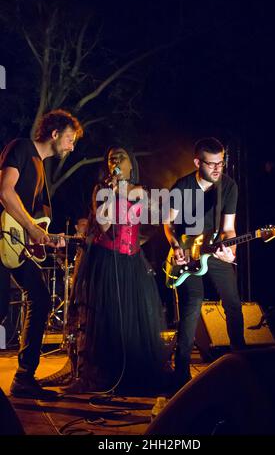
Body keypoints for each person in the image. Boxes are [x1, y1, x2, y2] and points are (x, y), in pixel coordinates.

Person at [65, 145, 167, 393]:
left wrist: (122, 192)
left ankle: (133, 374)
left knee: (131, 319)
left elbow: (148, 217)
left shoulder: (140, 190)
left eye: (121, 158)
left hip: (131, 260)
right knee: (103, 318)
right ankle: (96, 376)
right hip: (105, 259)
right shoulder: (101, 190)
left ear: (131, 164)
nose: (116, 162)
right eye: (112, 159)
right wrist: (112, 193)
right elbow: (103, 224)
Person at [0, 109, 83, 398]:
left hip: (16, 245)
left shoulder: (42, 169)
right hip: (1, 237)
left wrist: (46, 237)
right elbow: (6, 192)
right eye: (70, 139)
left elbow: (34, 222)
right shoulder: (21, 148)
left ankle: (24, 377)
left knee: (40, 297)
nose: (72, 146)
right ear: (55, 134)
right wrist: (35, 231)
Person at [164, 137, 245, 389]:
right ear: (198, 162)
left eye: (221, 163)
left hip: (214, 249)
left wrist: (229, 250)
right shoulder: (182, 187)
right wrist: (176, 246)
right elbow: (167, 224)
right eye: (211, 164)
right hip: (187, 255)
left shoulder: (229, 186)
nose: (218, 169)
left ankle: (240, 363)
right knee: (192, 304)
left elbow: (229, 229)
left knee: (233, 303)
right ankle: (181, 372)